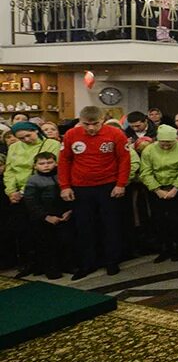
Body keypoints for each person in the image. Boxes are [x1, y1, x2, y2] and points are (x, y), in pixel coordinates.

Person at [59, 105, 131, 278]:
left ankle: (111, 261)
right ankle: (87, 263)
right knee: (84, 226)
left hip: (108, 186)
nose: (91, 128)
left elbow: (124, 160)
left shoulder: (115, 134)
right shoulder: (71, 135)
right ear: (80, 122)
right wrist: (65, 186)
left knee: (110, 225)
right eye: (86, 124)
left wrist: (121, 184)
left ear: (103, 121)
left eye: (95, 124)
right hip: (81, 187)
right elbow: (64, 161)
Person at [5, 121, 62, 277]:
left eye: (28, 136)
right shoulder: (14, 147)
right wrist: (11, 191)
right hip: (19, 194)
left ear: (36, 131)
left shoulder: (51, 144)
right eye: (21, 138)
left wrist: (25, 191)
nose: (26, 140)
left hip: (43, 190)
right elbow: (9, 171)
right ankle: (29, 264)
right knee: (24, 232)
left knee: (45, 232)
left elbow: (50, 168)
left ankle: (51, 266)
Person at [139, 124, 178, 262]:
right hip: (156, 189)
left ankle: (176, 247)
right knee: (158, 219)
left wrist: (175, 188)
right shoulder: (149, 150)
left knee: (177, 219)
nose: (166, 145)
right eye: (163, 142)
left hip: (177, 188)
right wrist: (157, 190)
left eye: (169, 143)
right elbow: (146, 172)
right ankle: (164, 248)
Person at [22, 151, 71, 280]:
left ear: (55, 163)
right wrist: (46, 217)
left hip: (63, 214)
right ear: (35, 166)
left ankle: (67, 265)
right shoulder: (33, 180)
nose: (46, 166)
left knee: (65, 241)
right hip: (43, 218)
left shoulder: (63, 176)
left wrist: (70, 211)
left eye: (49, 162)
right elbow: (31, 202)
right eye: (42, 163)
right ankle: (51, 270)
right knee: (47, 245)